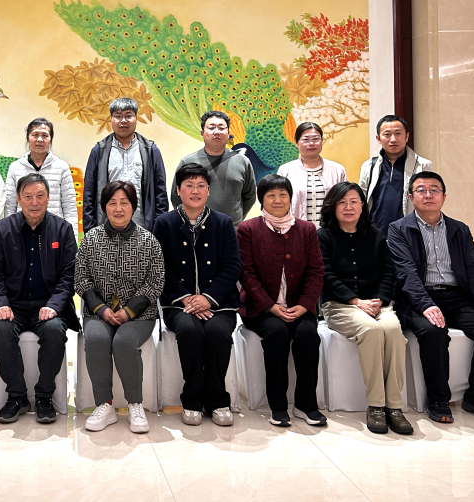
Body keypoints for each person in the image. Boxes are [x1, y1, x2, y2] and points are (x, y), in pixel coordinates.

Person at [388, 171, 474, 424]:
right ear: (411, 197)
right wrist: (426, 304)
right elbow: (406, 273)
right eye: (421, 190)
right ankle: (438, 399)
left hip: (456, 297)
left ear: (444, 196)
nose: (428, 195)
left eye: (434, 190)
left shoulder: (459, 230)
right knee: (433, 332)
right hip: (417, 299)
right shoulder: (398, 229)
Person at [318, 182, 412, 435]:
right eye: (342, 202)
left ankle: (395, 407)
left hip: (377, 304)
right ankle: (376, 405)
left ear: (362, 205)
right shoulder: (323, 236)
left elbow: (388, 272)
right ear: (333, 206)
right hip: (339, 306)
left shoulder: (376, 235)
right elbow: (326, 275)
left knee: (393, 331)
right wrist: (355, 301)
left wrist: (379, 300)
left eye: (354, 202)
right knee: (371, 330)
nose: (348, 207)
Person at [153, 163, 241, 427]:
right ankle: (192, 399)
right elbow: (159, 267)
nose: (195, 191)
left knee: (217, 332)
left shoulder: (223, 223)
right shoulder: (165, 223)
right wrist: (186, 298)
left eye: (201, 186)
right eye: (189, 185)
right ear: (178, 190)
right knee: (189, 331)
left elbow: (232, 266)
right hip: (179, 304)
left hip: (219, 303)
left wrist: (208, 298)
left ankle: (217, 400)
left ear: (208, 191)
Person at [0, 174, 78, 424]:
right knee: (0, 331)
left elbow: (69, 275)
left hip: (48, 304)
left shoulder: (63, 229)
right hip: (12, 305)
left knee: (54, 330)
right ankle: (17, 396)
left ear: (48, 198)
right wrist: (0, 303)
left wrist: (54, 305)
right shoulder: (3, 229)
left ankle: (45, 396)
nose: (34, 202)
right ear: (18, 199)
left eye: (39, 196)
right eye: (27, 196)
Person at [76, 181, 164, 433]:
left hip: (139, 316)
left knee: (124, 342)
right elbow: (81, 279)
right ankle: (104, 406)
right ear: (104, 207)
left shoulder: (149, 241)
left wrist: (129, 311)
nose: (118, 208)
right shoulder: (91, 239)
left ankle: (135, 404)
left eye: (124, 202)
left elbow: (156, 281)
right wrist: (101, 309)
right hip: (98, 313)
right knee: (96, 339)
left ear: (133, 206)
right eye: (112, 203)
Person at [238, 174, 326, 427]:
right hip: (260, 309)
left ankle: (306, 404)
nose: (278, 200)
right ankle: (277, 406)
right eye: (271, 195)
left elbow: (316, 271)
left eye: (283, 195)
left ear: (291, 198)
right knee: (276, 334)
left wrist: (305, 305)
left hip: (300, 307)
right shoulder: (248, 229)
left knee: (308, 336)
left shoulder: (307, 230)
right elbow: (246, 274)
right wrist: (269, 306)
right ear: (261, 200)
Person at [83, 98, 168, 233]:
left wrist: (159, 229)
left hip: (143, 228)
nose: (123, 120)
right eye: (118, 116)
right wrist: (90, 231)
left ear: (136, 118)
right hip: (107, 229)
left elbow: (160, 194)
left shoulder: (150, 150)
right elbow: (89, 193)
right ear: (111, 119)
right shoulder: (99, 150)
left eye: (128, 116)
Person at [171, 110, 256, 227]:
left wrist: (236, 219)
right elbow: (176, 197)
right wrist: (191, 221)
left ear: (228, 133)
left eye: (221, 128)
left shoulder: (242, 161)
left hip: (231, 230)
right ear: (202, 133)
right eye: (211, 128)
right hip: (197, 230)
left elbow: (250, 196)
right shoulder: (187, 162)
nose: (217, 132)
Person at [358, 115, 433, 235]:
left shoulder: (422, 165)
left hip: (409, 234)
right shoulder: (369, 166)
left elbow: (429, 200)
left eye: (398, 133)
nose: (393, 139)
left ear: (407, 136)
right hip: (375, 234)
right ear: (378, 138)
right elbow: (361, 200)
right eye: (387, 134)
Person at [4, 118, 79, 232]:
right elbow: (10, 206)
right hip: (22, 231)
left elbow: (69, 207)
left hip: (54, 231)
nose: (39, 139)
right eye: (35, 135)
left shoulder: (61, 167)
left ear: (51, 139)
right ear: (28, 138)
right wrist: (10, 234)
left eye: (45, 135)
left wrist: (72, 237)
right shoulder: (15, 168)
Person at [277, 122, 347, 226]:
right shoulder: (285, 170)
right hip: (296, 230)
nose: (311, 143)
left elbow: (344, 201)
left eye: (316, 139)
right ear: (296, 142)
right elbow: (279, 203)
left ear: (321, 141)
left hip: (330, 231)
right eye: (306, 139)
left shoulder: (337, 170)